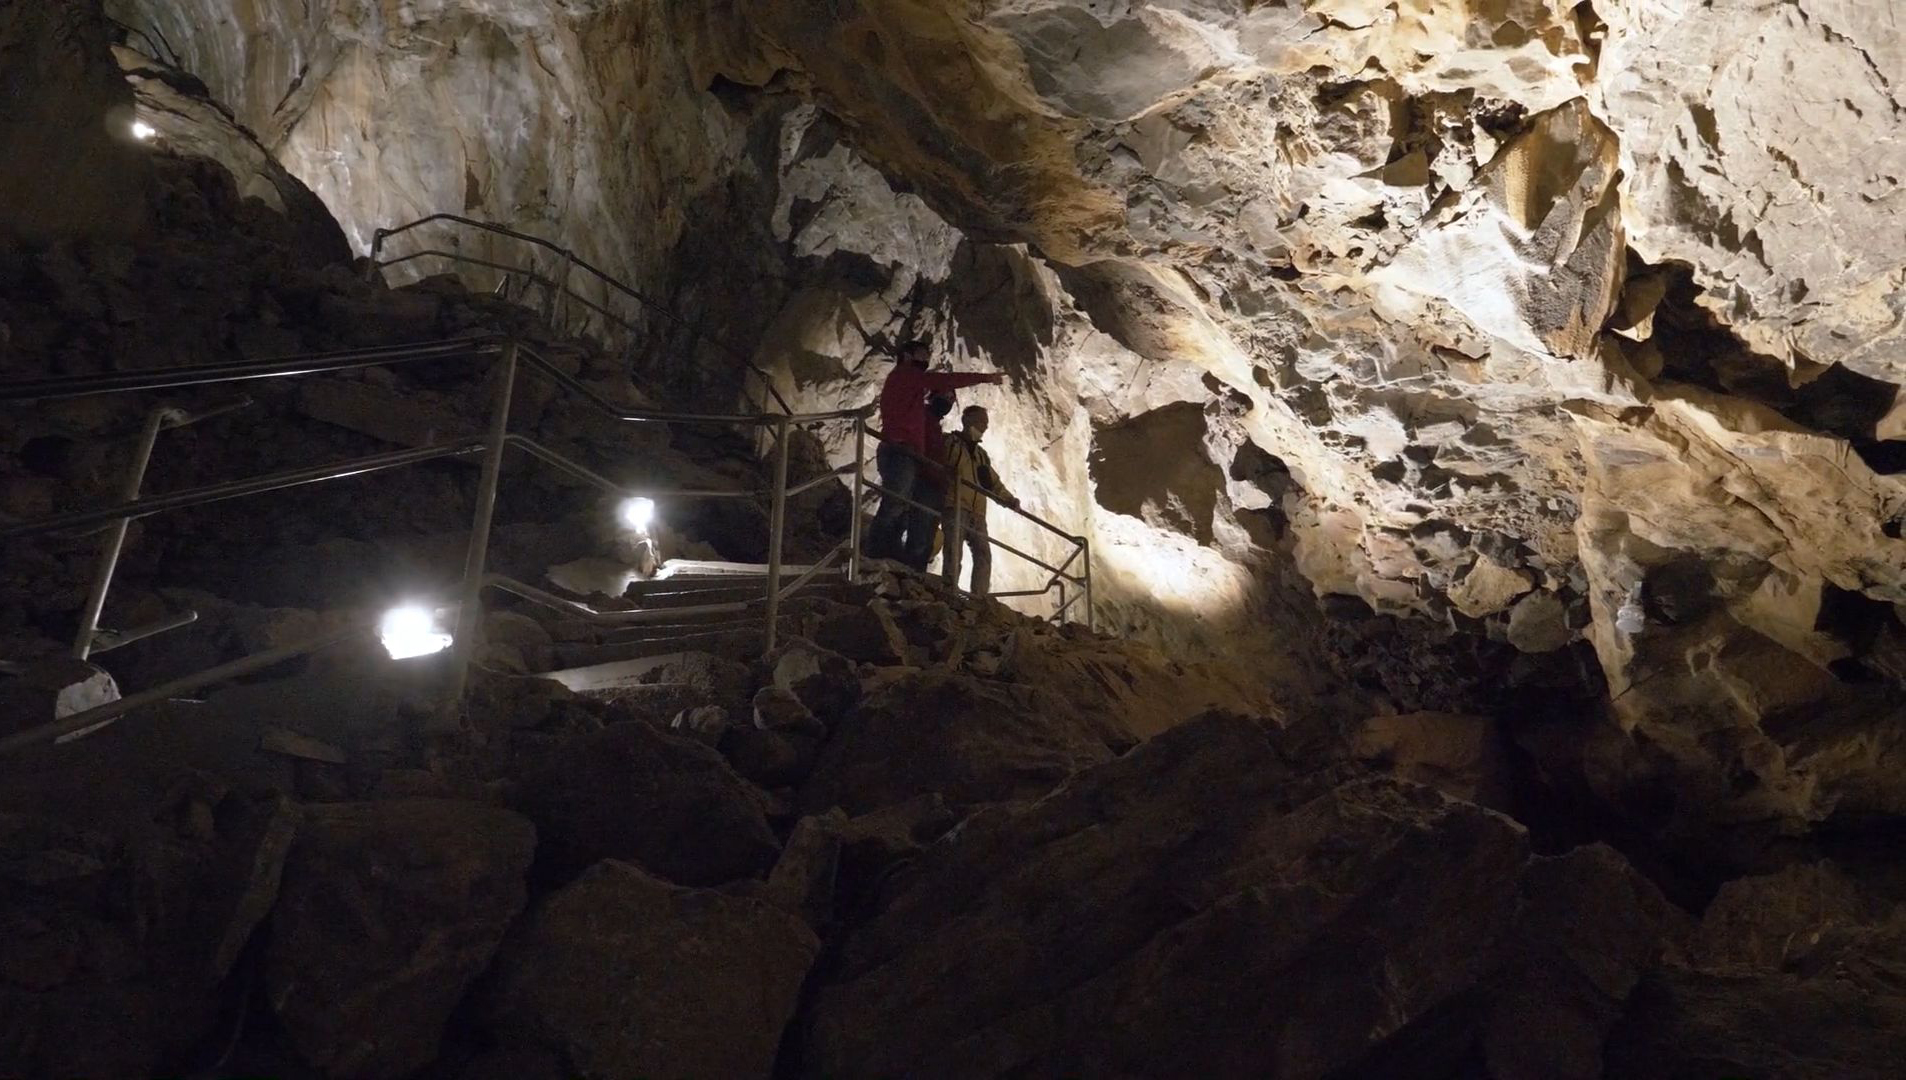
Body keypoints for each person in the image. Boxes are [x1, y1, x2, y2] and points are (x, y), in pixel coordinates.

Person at [865, 340, 1002, 561]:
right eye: (922, 354)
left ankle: (890, 555)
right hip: (900, 449)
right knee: (896, 503)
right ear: (908, 355)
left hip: (910, 456)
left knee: (903, 508)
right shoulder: (905, 374)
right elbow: (943, 380)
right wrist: (985, 378)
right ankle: (875, 553)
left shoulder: (920, 409)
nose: (927, 358)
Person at [941, 404, 1017, 596]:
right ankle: (949, 591)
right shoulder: (950, 443)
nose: (984, 426)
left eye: (986, 422)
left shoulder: (981, 455)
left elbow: (991, 482)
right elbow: (941, 468)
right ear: (967, 420)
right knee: (953, 550)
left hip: (977, 512)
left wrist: (1009, 500)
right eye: (981, 421)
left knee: (983, 554)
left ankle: (979, 597)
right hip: (955, 504)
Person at [900, 393, 957, 570]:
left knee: (928, 535)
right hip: (923, 482)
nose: (947, 404)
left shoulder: (934, 426)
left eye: (950, 401)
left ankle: (918, 573)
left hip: (935, 485)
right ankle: (910, 571)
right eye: (945, 399)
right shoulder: (921, 418)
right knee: (919, 530)